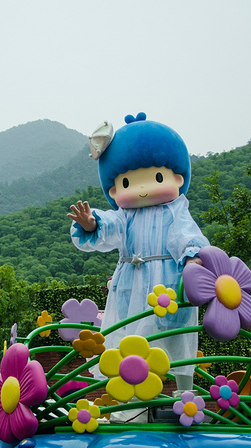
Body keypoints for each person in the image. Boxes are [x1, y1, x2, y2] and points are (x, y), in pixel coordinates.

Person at [68, 113, 209, 394]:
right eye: (128, 183)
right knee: (127, 336)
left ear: (177, 178)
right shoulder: (125, 216)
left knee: (177, 338)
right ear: (114, 189)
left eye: (156, 178)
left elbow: (186, 234)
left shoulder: (175, 210)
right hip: (130, 284)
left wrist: (192, 257)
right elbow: (109, 225)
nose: (142, 189)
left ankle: (185, 392)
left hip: (166, 284)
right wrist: (92, 224)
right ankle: (131, 398)